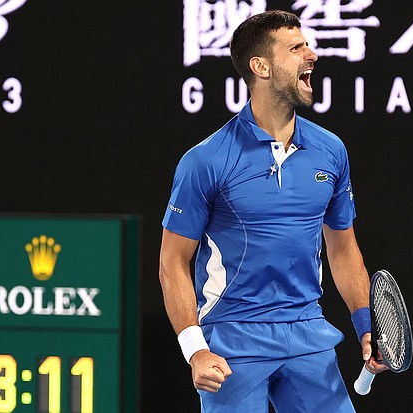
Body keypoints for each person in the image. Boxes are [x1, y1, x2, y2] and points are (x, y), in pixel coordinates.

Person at [158, 10, 387, 413]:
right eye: (296, 48)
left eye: (308, 44)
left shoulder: (331, 151)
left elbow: (343, 250)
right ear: (260, 66)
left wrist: (366, 324)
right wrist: (195, 350)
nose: (311, 55)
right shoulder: (205, 161)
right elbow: (172, 262)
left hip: (307, 334)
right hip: (231, 340)